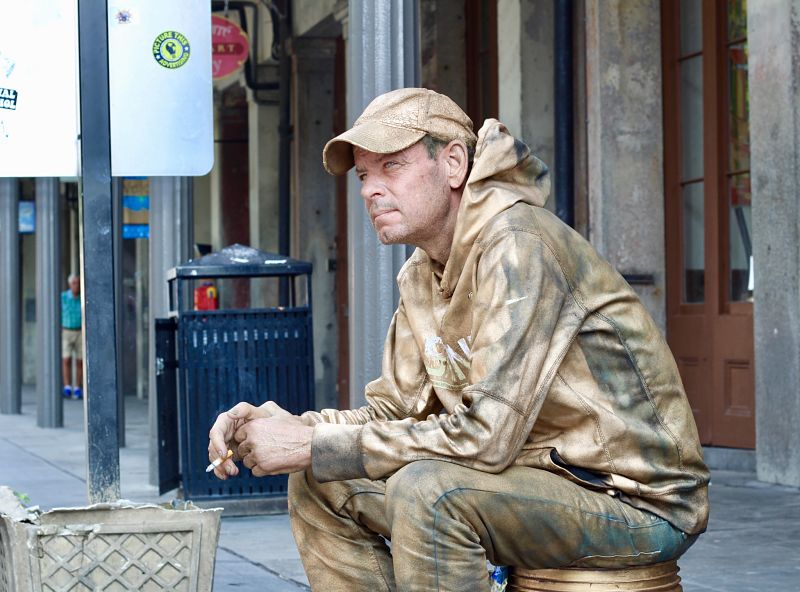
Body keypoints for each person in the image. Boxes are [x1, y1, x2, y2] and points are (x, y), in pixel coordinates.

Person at [208, 88, 709, 591]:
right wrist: (294, 427)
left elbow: (486, 439)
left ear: (452, 164)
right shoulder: (421, 277)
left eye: (392, 167)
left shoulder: (519, 245)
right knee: (321, 479)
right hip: (531, 480)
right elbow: (393, 412)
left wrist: (314, 443)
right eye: (364, 175)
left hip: (634, 499)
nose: (369, 191)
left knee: (429, 492)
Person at [61, 273, 83, 400]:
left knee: (79, 361)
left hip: (79, 331)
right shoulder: (63, 297)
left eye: (78, 283)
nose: (77, 286)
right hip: (67, 331)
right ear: (70, 284)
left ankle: (77, 387)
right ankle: (67, 386)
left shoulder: (81, 297)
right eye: (74, 283)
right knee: (66, 359)